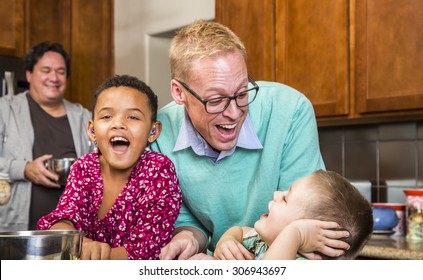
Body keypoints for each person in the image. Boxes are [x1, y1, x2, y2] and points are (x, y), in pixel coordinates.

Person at [151, 19, 349, 260]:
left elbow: (306, 223)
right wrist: (188, 238)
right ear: (179, 92)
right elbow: (189, 222)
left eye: (243, 92)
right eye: (215, 100)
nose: (234, 113)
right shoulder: (159, 133)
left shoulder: (290, 110)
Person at [37, 75, 182, 260]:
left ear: (153, 131)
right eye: (107, 116)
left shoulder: (158, 169)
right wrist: (79, 242)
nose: (118, 124)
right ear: (92, 130)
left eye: (133, 117)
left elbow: (148, 249)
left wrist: (99, 258)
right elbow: (64, 219)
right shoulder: (83, 168)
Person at [0, 42, 93, 231]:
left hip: (72, 232)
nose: (54, 77)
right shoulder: (5, 108)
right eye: (46, 70)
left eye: (60, 71)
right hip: (16, 231)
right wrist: (24, 169)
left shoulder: (82, 116)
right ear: (29, 74)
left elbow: (100, 162)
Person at [214, 170, 374, 260]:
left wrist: (295, 232)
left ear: (310, 233)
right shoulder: (262, 242)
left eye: (285, 199)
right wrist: (228, 240)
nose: (276, 194)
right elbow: (240, 231)